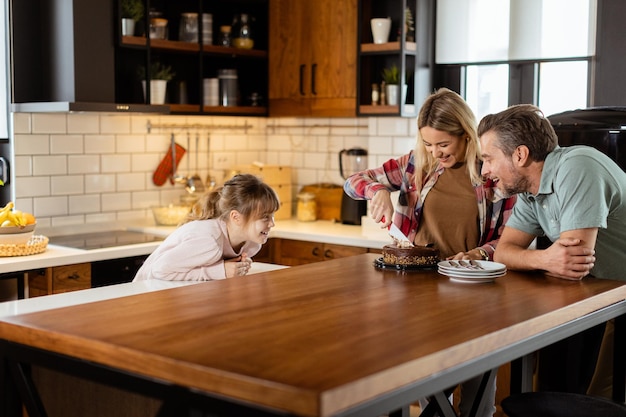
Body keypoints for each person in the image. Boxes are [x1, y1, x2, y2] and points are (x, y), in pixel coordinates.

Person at [344, 87, 517, 417]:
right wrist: (377, 189)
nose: (435, 152)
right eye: (427, 143)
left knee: (477, 401)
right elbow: (353, 182)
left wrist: (477, 254)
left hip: (475, 293)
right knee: (429, 393)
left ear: (465, 134)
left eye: (443, 144)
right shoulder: (415, 165)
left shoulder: (493, 172)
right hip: (418, 293)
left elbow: (509, 239)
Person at [478, 104, 626, 398]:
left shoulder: (577, 166)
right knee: (555, 390)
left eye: (488, 159)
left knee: (596, 400)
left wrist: (540, 260)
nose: (485, 171)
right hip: (601, 295)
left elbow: (574, 265)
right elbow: (503, 252)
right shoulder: (533, 191)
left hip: (615, 297)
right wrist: (544, 258)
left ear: (519, 155)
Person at [134, 173, 280, 282]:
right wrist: (219, 271)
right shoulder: (209, 241)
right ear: (236, 217)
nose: (272, 223)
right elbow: (159, 271)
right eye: (265, 217)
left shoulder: (252, 244)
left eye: (272, 215)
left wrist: (235, 267)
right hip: (143, 296)